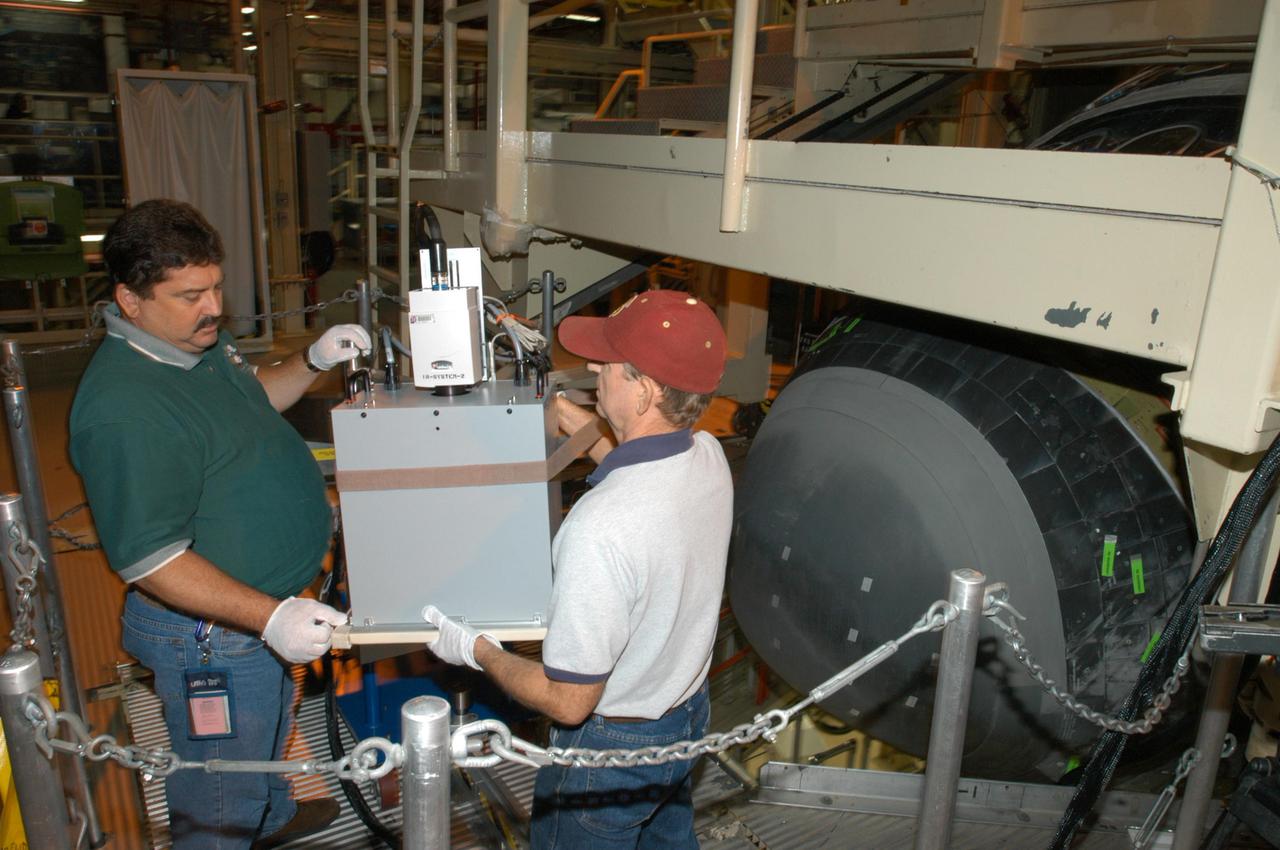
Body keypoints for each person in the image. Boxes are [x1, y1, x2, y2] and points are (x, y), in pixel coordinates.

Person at [69, 199, 369, 849]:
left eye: (215, 287)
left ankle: (268, 812)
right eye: (189, 295)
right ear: (130, 299)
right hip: (211, 637)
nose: (212, 307)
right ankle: (238, 823)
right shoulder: (125, 409)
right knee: (216, 791)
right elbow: (151, 558)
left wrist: (312, 360)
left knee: (263, 733)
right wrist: (269, 618)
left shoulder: (193, 341)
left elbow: (250, 395)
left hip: (255, 615)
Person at [425, 288, 732, 849]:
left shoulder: (598, 527)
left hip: (613, 750)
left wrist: (476, 650)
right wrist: (580, 421)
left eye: (609, 363)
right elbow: (643, 480)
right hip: (685, 717)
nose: (593, 367)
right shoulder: (709, 458)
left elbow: (569, 701)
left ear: (646, 391)